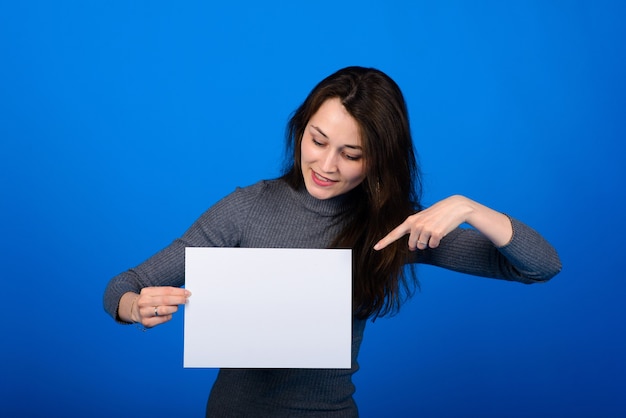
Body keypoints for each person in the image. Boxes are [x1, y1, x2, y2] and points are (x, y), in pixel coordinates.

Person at [103, 66, 562, 417]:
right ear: (301, 128)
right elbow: (123, 285)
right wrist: (134, 306)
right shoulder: (246, 207)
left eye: (351, 154)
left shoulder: (394, 227)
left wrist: (471, 209)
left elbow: (539, 266)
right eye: (317, 140)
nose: (326, 164)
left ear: (378, 160)